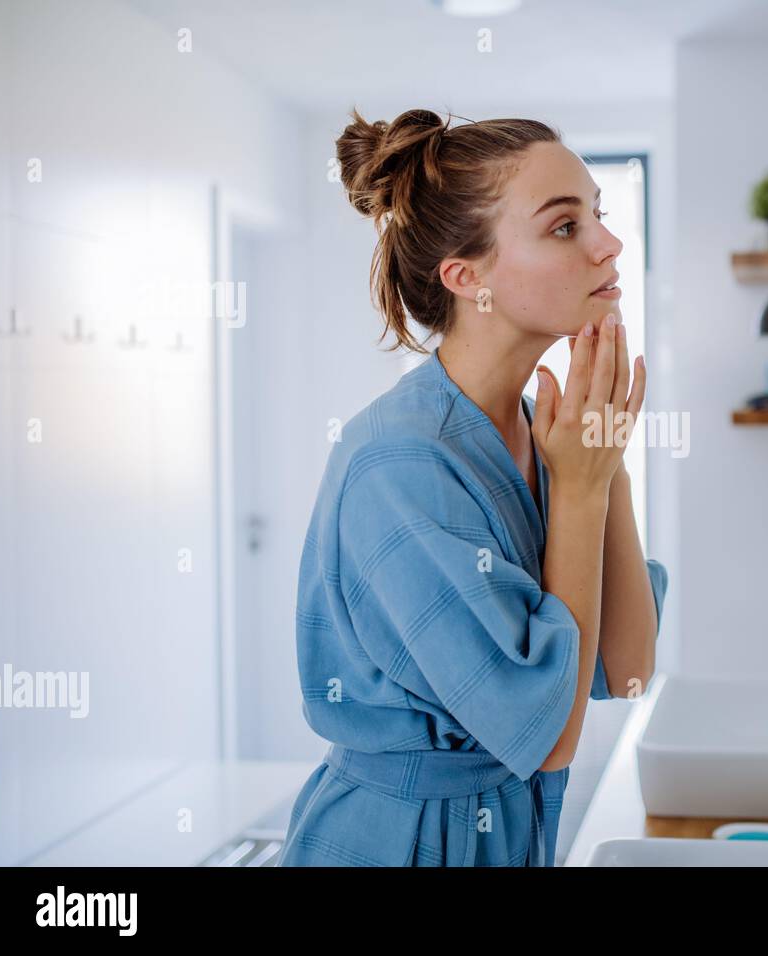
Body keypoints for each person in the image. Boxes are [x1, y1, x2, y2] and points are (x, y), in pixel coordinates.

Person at [278, 108, 668, 866]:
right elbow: (548, 739)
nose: (609, 245)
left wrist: (602, 459)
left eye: (600, 215)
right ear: (467, 277)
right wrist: (581, 493)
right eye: (565, 226)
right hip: (400, 844)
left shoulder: (540, 430)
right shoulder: (398, 465)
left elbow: (625, 669)